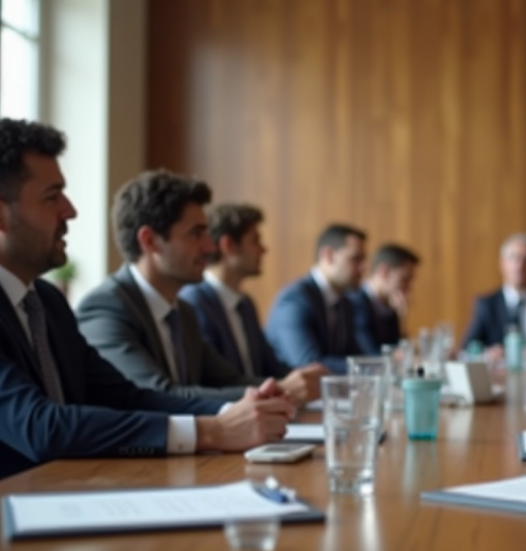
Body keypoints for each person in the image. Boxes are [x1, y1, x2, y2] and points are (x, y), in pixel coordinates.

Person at [0, 119, 292, 478]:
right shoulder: (94, 304)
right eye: (52, 196)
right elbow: (42, 428)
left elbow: (127, 397)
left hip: (67, 494)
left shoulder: (46, 301)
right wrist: (211, 431)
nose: (70, 210)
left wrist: (235, 411)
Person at [76, 172, 320, 403]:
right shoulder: (105, 309)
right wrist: (279, 391)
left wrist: (287, 386)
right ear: (150, 241)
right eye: (196, 234)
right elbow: (157, 395)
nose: (210, 247)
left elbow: (229, 381)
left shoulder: (183, 311)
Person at [178, 203, 328, 399]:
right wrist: (285, 387)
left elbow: (269, 366)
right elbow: (216, 381)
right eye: (255, 241)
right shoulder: (193, 302)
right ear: (229, 245)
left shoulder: (245, 304)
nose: (264, 249)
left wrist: (303, 378)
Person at [266, 224, 367, 373]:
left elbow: (353, 355)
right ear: (328, 255)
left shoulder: (345, 303)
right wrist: (371, 368)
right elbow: (308, 364)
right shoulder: (294, 300)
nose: (363, 268)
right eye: (355, 259)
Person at [349, 243, 419, 355]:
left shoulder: (388, 307)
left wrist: (402, 318)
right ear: (384, 272)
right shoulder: (355, 302)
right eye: (405, 279)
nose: (409, 287)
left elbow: (396, 348)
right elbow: (372, 355)